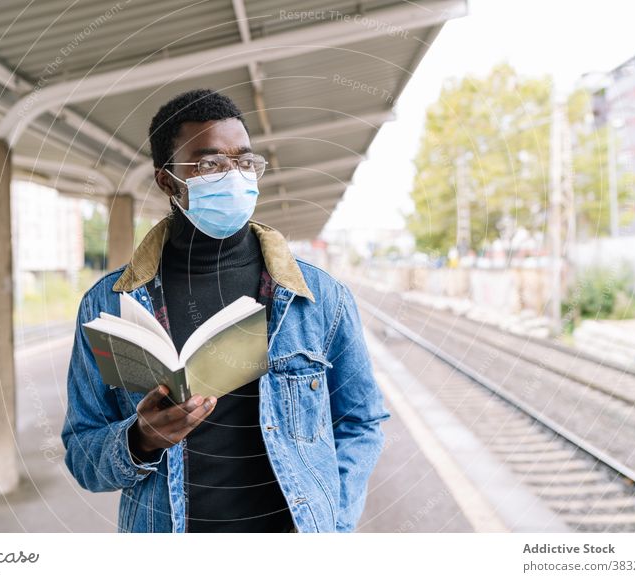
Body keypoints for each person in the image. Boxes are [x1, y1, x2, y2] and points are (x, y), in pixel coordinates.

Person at [60, 88, 391, 533]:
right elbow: (82, 453)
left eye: (245, 162)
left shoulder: (319, 298)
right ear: (167, 181)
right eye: (211, 164)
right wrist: (139, 441)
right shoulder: (109, 306)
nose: (234, 176)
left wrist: (334, 519)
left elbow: (362, 421)